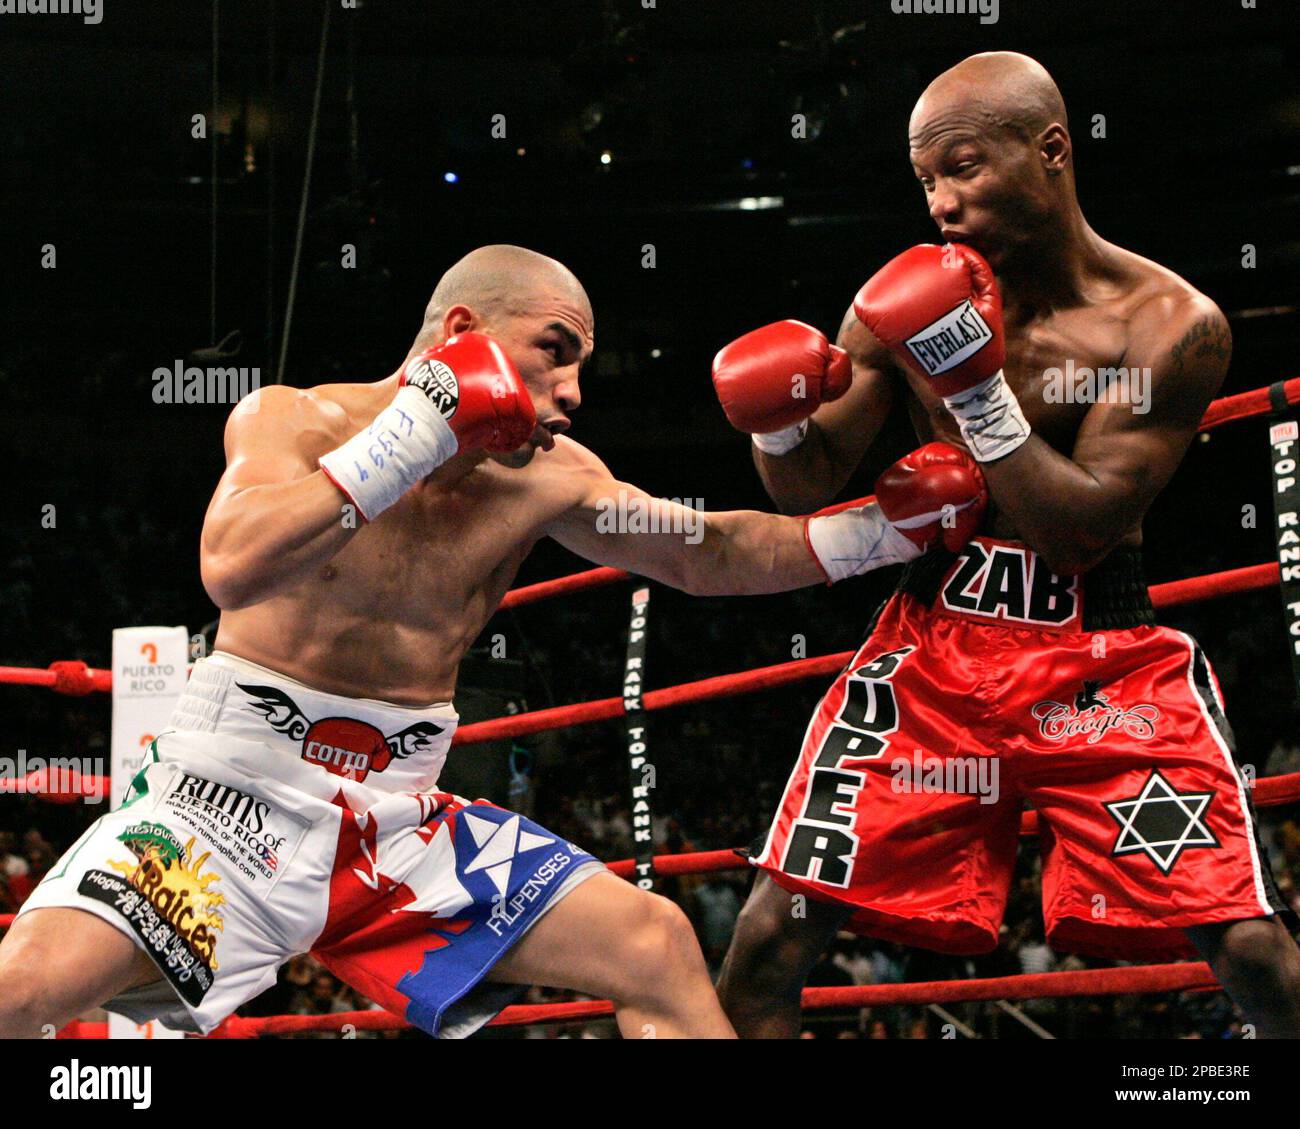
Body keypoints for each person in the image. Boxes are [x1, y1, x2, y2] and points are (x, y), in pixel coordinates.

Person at [0, 244, 984, 1040]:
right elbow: (232, 562)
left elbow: (707, 552)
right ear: (465, 334)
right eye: (553, 349)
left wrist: (879, 532)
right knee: (25, 988)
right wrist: (419, 427)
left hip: (402, 823)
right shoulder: (297, 417)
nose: (571, 391)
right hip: (224, 809)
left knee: (651, 943)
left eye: (582, 366)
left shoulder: (547, 477)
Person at [712, 52, 1300, 1038]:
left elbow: (1079, 529)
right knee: (769, 938)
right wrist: (774, 426)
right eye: (926, 181)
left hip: (1099, 659)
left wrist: (969, 390)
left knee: (1250, 953)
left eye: (966, 169)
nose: (941, 202)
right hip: (932, 651)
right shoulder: (894, 296)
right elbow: (809, 483)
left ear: (1053, 150)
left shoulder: (1167, 324)